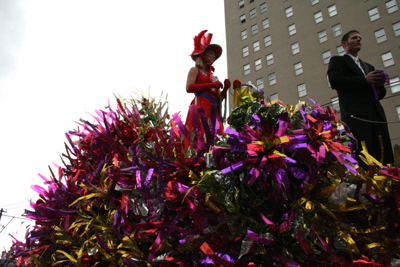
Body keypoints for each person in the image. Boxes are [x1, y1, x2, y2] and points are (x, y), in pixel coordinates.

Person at [328, 30, 394, 167]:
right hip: (356, 116)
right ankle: (365, 186)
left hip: (376, 115)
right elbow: (335, 81)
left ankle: (388, 182)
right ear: (344, 44)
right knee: (364, 153)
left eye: (360, 38)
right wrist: (364, 79)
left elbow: (379, 94)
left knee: (383, 152)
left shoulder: (368, 67)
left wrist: (379, 85)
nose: (359, 40)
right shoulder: (338, 61)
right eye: (354, 38)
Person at [185, 30, 230, 147]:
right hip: (200, 107)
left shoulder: (214, 77)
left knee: (216, 137)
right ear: (203, 55)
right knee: (200, 135)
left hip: (213, 109)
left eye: (214, 54)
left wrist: (225, 89)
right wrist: (211, 85)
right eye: (211, 53)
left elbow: (219, 98)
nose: (214, 56)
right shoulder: (195, 70)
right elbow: (189, 88)